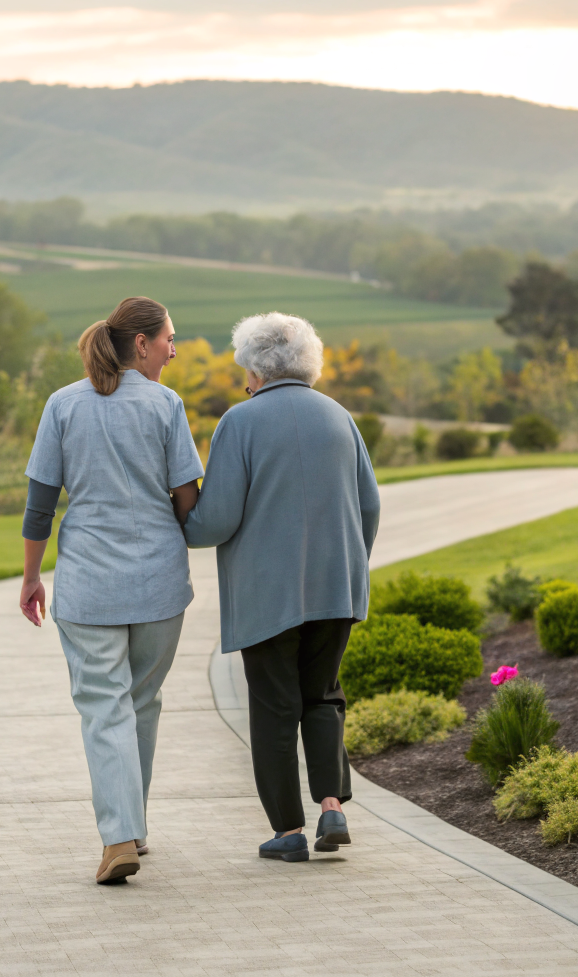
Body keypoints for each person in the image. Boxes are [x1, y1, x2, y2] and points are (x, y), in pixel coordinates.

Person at [182, 312, 380, 863]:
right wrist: (350, 565)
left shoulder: (239, 423)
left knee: (273, 708)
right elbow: (369, 505)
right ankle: (332, 806)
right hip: (335, 590)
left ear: (255, 368)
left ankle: (289, 831)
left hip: (268, 596)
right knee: (323, 696)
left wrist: (178, 519)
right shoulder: (340, 417)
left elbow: (215, 520)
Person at [18, 296, 203, 884]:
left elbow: (40, 505)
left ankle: (120, 834)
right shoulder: (167, 405)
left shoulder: (62, 404)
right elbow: (188, 503)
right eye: (170, 339)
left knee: (105, 709)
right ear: (142, 344)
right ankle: (133, 829)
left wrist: (30, 576)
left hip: (89, 585)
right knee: (140, 703)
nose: (175, 349)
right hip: (159, 585)